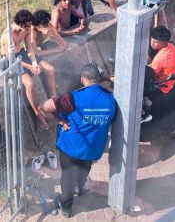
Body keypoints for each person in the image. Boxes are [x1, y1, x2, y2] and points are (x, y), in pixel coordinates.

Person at [39, 63, 117, 218]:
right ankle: (79, 187)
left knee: (68, 176)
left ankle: (66, 208)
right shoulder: (111, 99)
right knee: (84, 167)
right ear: (99, 79)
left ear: (82, 79)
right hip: (93, 147)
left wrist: (61, 121)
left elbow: (43, 107)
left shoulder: (72, 98)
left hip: (71, 146)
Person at [0, 9, 60, 129]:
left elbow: (29, 49)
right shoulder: (8, 35)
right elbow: (11, 60)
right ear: (20, 24)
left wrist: (34, 63)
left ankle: (54, 98)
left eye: (29, 27)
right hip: (11, 61)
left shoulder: (26, 29)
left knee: (50, 69)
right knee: (30, 84)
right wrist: (30, 67)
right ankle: (37, 112)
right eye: (26, 28)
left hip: (22, 55)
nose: (28, 30)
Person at [148, 26, 175, 94]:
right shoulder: (171, 45)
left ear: (165, 43)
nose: (152, 44)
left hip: (162, 87)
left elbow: (150, 76)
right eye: (151, 40)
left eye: (155, 42)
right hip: (170, 80)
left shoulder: (160, 59)